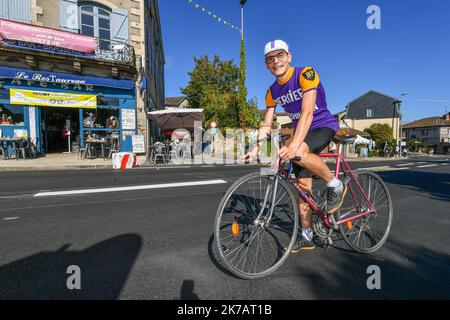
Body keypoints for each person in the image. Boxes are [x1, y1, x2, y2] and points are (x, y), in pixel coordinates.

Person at [243, 40, 346, 252]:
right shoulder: (272, 91)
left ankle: (334, 184)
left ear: (289, 56)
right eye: (270, 59)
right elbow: (266, 123)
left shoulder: (305, 74)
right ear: (266, 65)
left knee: (297, 151)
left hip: (322, 125)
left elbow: (308, 113)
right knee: (302, 189)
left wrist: (294, 145)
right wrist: (255, 147)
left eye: (280, 55)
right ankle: (306, 235)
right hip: (302, 131)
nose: (275, 61)